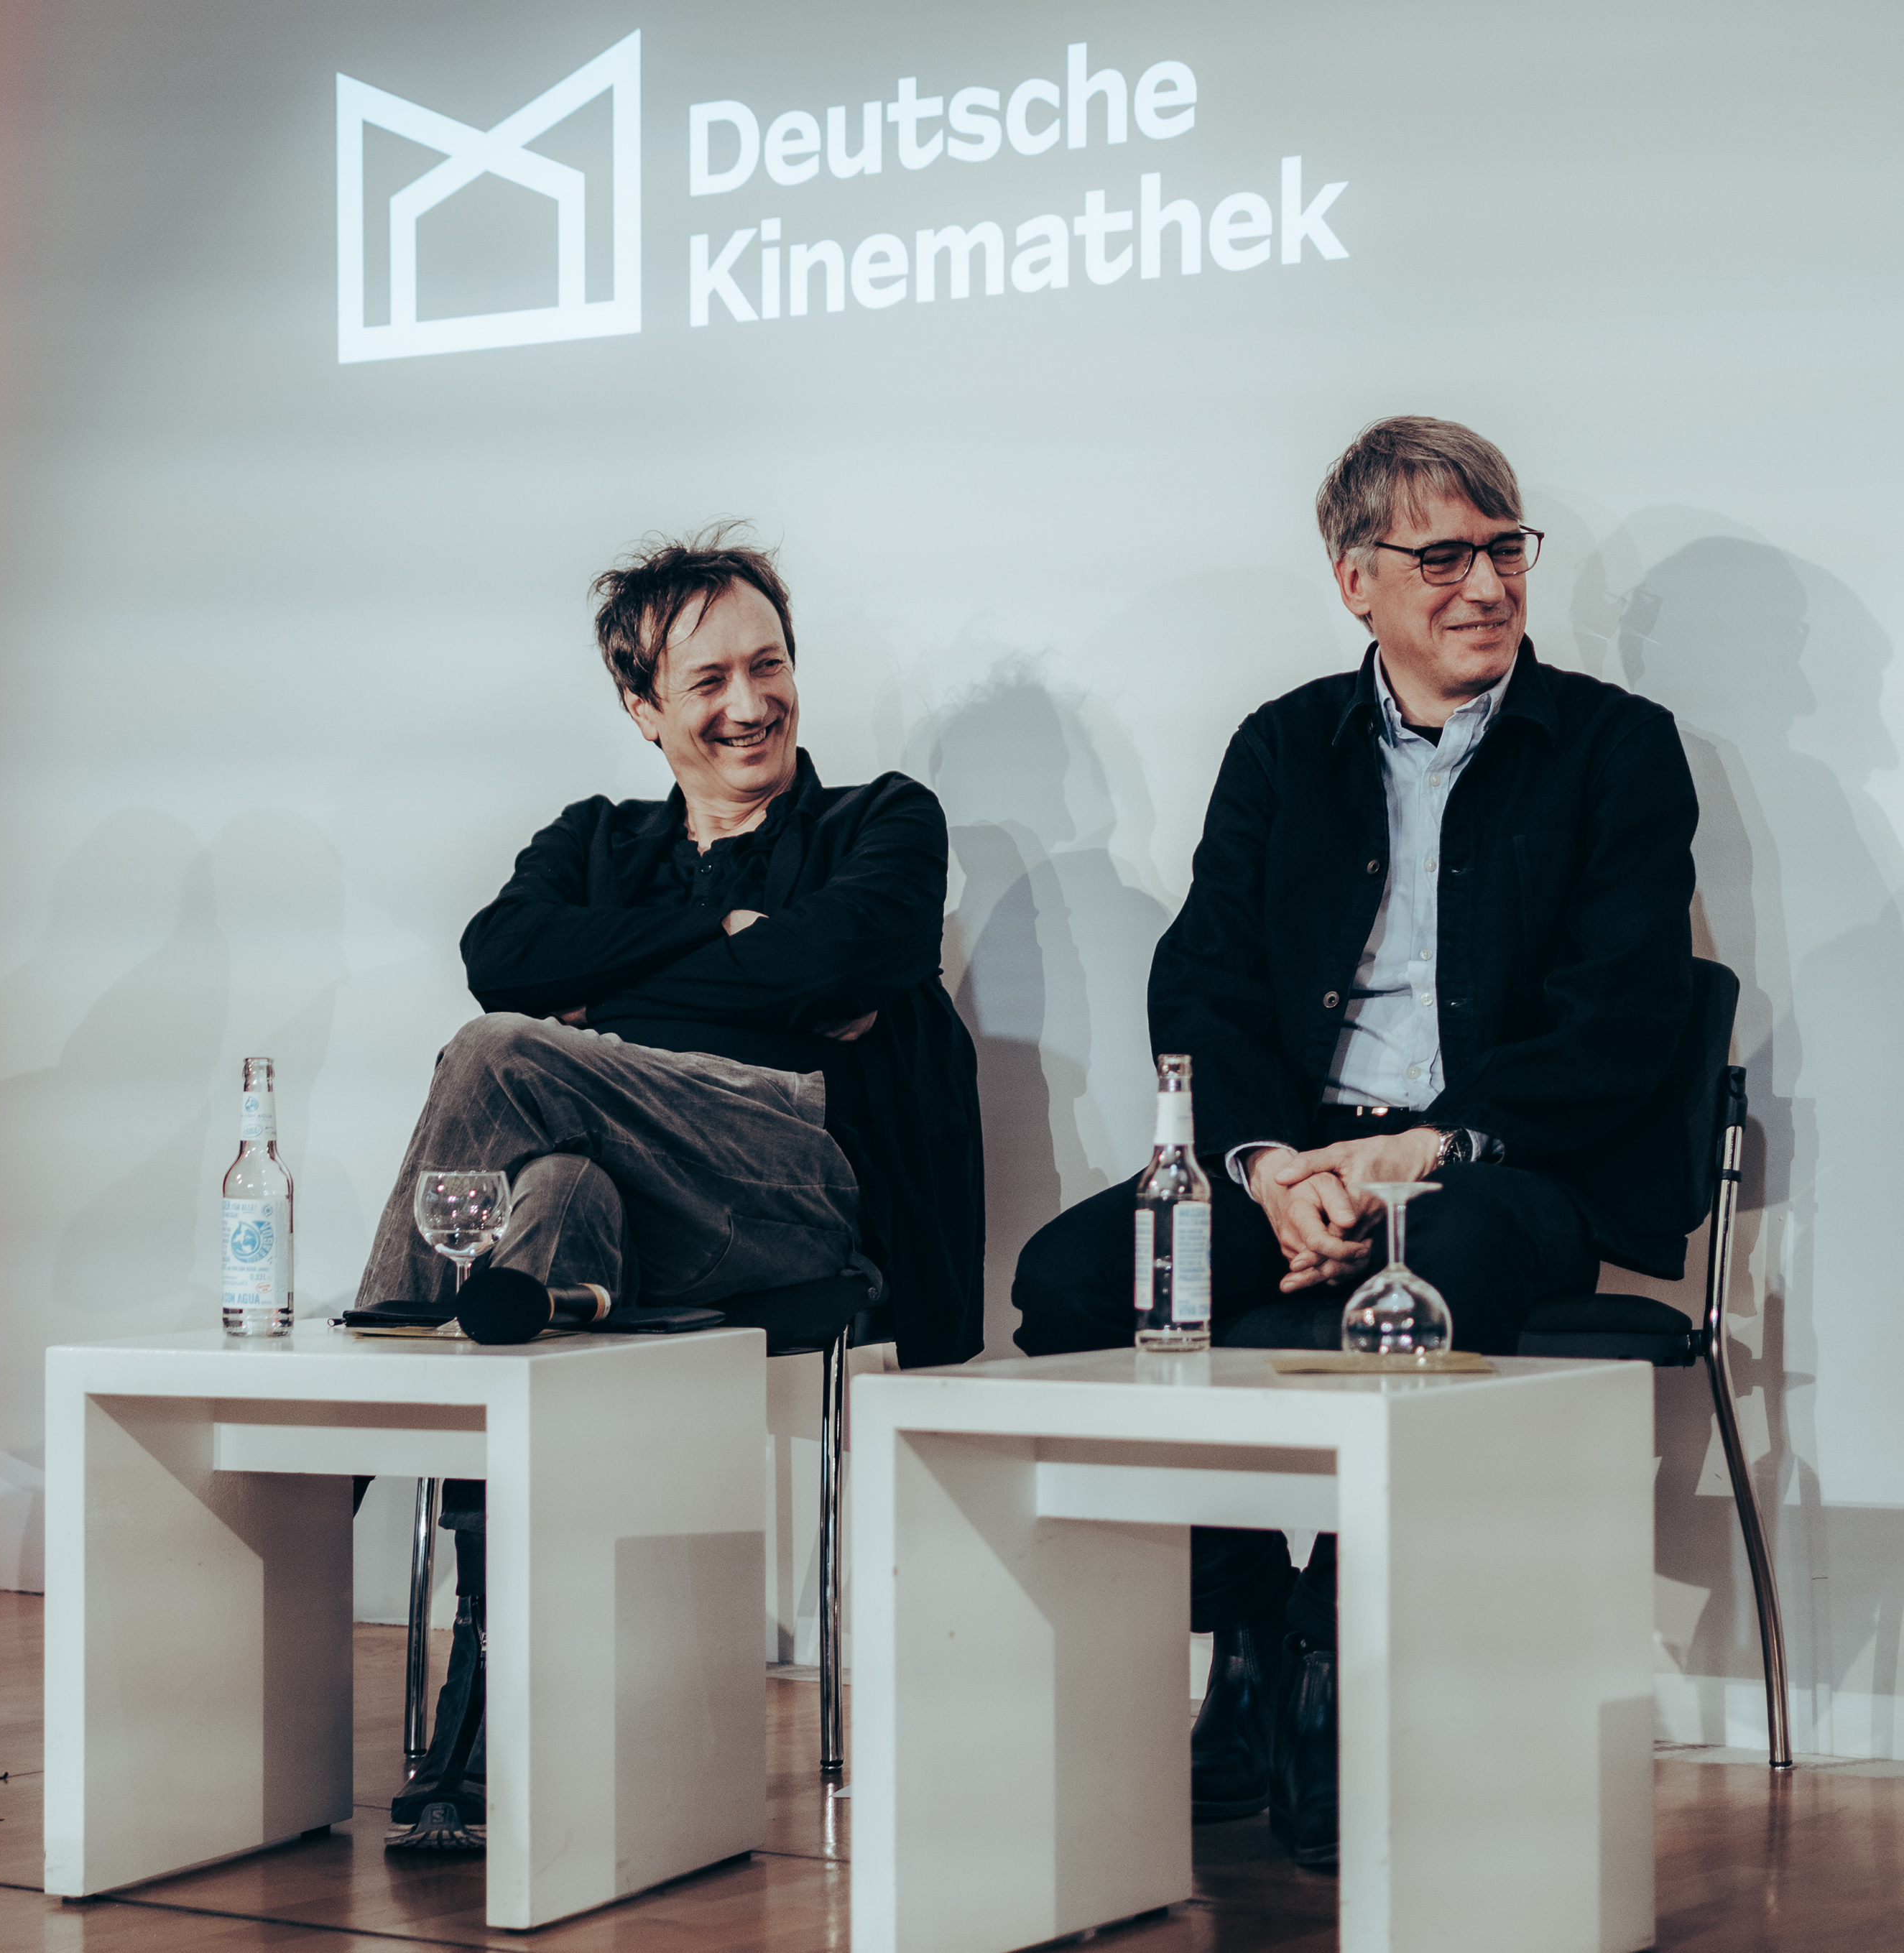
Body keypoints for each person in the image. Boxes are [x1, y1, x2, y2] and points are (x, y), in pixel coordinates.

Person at [1010, 417, 1699, 1870]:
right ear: (1356, 581)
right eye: (1441, 557)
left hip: (1505, 1168)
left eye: (1503, 549)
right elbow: (1203, 982)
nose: (1486, 586)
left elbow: (1624, 1017)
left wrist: (1426, 1151)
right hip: (1303, 1158)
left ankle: (1340, 1649)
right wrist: (1271, 1165)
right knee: (1075, 1277)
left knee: (1446, 1262)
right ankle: (1249, 1631)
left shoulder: (1615, 750)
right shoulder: (1282, 749)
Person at [361, 526, 985, 1850]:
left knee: (501, 1059)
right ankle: (492, 1685)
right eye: (708, 681)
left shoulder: (881, 821)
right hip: (636, 1218)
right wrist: (725, 936)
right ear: (643, 708)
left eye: (769, 666)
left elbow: (848, 955)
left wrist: (606, 998)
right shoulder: (595, 840)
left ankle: (359, 1421)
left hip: (802, 1193)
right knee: (555, 1195)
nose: (750, 704)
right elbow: (501, 950)